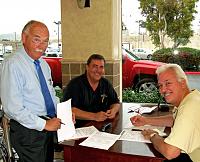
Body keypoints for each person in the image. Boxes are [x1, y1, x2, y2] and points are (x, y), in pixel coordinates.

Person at [0, 20, 63, 162]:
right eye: (37, 40)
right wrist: (44, 124)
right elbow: (12, 108)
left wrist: (62, 113)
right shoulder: (12, 64)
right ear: (24, 38)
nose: (42, 46)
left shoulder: (44, 64)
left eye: (46, 41)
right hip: (28, 131)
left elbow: (51, 94)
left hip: (47, 127)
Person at [130, 64, 200, 162]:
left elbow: (170, 153)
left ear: (183, 83)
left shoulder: (189, 108)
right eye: (160, 85)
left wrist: (153, 136)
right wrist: (146, 120)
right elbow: (174, 119)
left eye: (168, 83)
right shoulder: (192, 97)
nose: (162, 90)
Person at [62, 54, 120, 127]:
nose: (98, 70)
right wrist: (94, 116)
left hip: (101, 126)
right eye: (95, 66)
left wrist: (113, 111)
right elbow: (69, 110)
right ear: (87, 67)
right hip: (79, 129)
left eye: (101, 67)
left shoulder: (105, 83)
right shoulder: (75, 85)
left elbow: (116, 103)